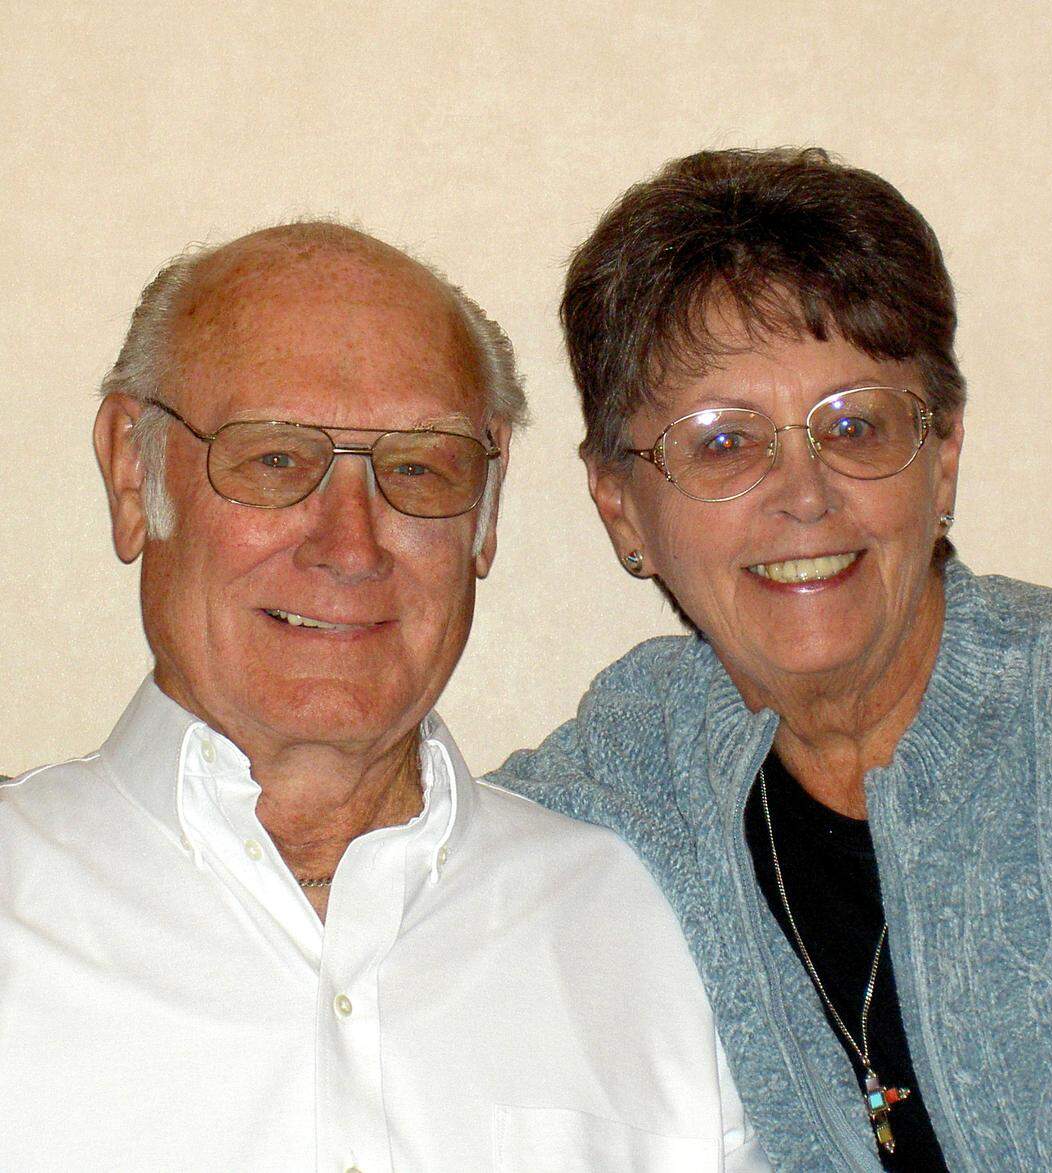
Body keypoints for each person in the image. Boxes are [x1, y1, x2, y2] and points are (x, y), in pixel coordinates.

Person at [0, 222, 766, 1170]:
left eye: (416, 466)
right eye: (274, 457)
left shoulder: (656, 935)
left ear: (486, 511)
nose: (349, 545)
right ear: (132, 471)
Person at [490, 149, 1052, 1171]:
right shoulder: (633, 771)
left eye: (855, 425)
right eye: (722, 443)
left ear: (944, 456)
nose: (804, 493)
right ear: (621, 507)